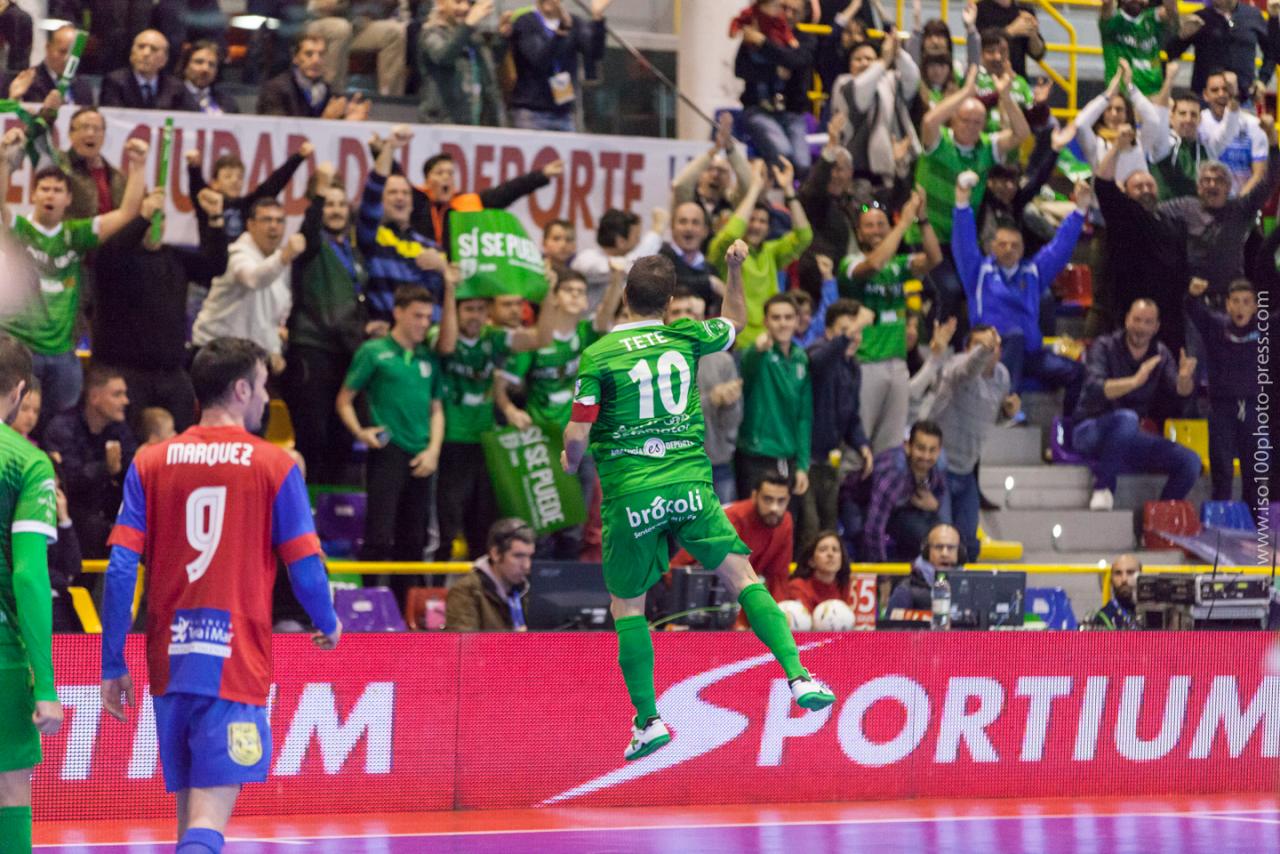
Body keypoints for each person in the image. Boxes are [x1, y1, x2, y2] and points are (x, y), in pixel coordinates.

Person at [563, 245, 833, 761]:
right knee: (745, 581)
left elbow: (578, 435)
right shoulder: (686, 334)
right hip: (689, 487)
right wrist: (733, 269)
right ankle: (799, 677)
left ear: (624, 298)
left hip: (632, 493)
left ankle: (648, 721)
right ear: (669, 303)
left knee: (629, 607)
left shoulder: (599, 354)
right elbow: (735, 318)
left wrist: (569, 461)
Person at [100, 337, 342, 854]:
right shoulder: (275, 465)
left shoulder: (151, 461)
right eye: (261, 386)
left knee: (189, 815)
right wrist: (327, 619)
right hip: (234, 662)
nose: (264, 398)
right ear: (239, 388)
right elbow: (305, 565)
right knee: (209, 816)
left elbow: (121, 568)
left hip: (170, 659)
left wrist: (112, 661)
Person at [0, 130, 147, 422]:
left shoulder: (75, 234)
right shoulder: (19, 229)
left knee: (59, 426)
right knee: (11, 422)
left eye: (57, 190)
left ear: (68, 198)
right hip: (18, 346)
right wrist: (4, 161)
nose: (50, 195)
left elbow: (128, 211)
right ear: (33, 195)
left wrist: (139, 165)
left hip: (62, 352)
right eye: (44, 189)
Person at [498, 266, 623, 559]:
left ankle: (564, 600)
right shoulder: (538, 338)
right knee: (540, 531)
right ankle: (535, 596)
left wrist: (617, 280)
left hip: (581, 444)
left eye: (581, 292)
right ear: (553, 297)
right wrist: (509, 410)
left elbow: (605, 317)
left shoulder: (585, 334)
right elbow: (501, 385)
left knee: (574, 530)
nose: (577, 296)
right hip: (541, 444)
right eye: (569, 290)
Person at [337, 285, 446, 601]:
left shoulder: (428, 357)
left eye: (428, 317)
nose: (424, 323)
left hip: (422, 453)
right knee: (379, 535)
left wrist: (434, 451)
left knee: (414, 538)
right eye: (417, 316)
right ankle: (366, 603)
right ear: (397, 313)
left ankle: (405, 610)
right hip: (388, 451)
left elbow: (436, 408)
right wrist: (360, 432)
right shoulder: (373, 352)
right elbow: (345, 399)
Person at [92, 186, 229, 436]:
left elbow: (215, 265)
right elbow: (109, 254)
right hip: (126, 372)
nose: (155, 224)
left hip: (171, 373)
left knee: (183, 438)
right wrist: (142, 217)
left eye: (161, 217)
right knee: (127, 440)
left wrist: (215, 220)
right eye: (149, 218)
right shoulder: (116, 259)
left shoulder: (174, 258)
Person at [952, 171, 1088, 414]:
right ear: (992, 246)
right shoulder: (977, 272)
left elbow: (1059, 250)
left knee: (1078, 373)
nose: (1008, 250)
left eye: (1014, 245)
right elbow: (963, 243)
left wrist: (1079, 212)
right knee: (1013, 336)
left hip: (1031, 354)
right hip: (989, 353)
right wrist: (962, 203)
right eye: (1002, 244)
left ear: (1023, 248)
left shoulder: (1033, 272)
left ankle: (1070, 429)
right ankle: (1007, 404)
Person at [0, 336, 63, 854]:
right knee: (10, 786)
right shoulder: (27, 463)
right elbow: (28, 576)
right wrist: (45, 682)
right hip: (1, 654)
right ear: (19, 391)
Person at [916, 65, 1030, 327]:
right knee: (951, 289)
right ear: (953, 119)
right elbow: (929, 120)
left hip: (962, 242)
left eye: (977, 122)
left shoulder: (987, 147)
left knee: (977, 288)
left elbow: (1021, 134)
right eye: (965, 120)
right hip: (926, 236)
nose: (971, 126)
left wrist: (1005, 97)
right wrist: (967, 91)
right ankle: (938, 347)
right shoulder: (938, 142)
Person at [1072, 299, 1202, 510]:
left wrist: (1185, 379)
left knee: (1190, 461)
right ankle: (1103, 488)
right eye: (1137, 320)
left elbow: (1180, 392)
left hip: (1129, 436)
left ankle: (1159, 519)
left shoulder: (1160, 353)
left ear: (1156, 327)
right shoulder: (1104, 346)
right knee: (1127, 418)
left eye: (1148, 322)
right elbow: (1096, 388)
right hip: (1090, 429)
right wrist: (1135, 381)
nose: (1141, 327)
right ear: (1127, 320)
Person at [283, 161, 367, 486]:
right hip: (312, 349)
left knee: (342, 438)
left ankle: (333, 519)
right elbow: (309, 228)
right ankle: (305, 511)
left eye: (341, 204)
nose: (335, 210)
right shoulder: (310, 245)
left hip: (347, 351)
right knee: (313, 436)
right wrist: (317, 196)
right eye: (329, 204)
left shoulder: (355, 251)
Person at [841, 189, 942, 455]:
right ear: (859, 233)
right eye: (869, 225)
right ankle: (852, 496)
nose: (876, 230)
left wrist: (922, 220)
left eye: (880, 224)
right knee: (858, 444)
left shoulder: (898, 265)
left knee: (891, 447)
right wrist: (902, 224)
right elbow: (873, 265)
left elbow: (934, 258)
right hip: (865, 363)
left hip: (897, 363)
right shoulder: (850, 263)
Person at [928, 325, 1017, 560]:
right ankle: (935, 593)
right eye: (978, 344)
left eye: (992, 345)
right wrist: (983, 349)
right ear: (967, 349)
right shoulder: (956, 367)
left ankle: (962, 594)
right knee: (943, 539)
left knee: (969, 544)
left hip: (967, 471)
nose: (987, 350)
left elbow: (988, 416)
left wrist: (1007, 414)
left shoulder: (1002, 376)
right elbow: (969, 369)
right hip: (938, 468)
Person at [709, 158, 813, 347]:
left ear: (768, 227)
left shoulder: (772, 252)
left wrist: (788, 190)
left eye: (762, 221)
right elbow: (730, 234)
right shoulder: (726, 252)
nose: (756, 226)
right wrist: (755, 188)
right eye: (752, 219)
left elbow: (804, 236)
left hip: (773, 338)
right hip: (740, 342)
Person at [192, 198, 305, 372]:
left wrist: (274, 350)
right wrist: (284, 258)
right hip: (213, 352)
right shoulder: (237, 253)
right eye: (267, 220)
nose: (274, 226)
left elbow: (271, 318)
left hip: (247, 357)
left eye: (279, 220)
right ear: (250, 225)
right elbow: (254, 279)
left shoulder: (281, 262)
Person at [357, 126, 448, 323]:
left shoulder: (433, 248)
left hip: (424, 344)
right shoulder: (373, 237)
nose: (400, 197)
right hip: (385, 338)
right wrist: (389, 147)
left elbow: (444, 298)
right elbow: (373, 189)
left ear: (412, 202)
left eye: (405, 193)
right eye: (392, 193)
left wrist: (444, 269)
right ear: (381, 201)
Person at [403, 149, 562, 263]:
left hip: (459, 274)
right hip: (419, 267)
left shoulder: (468, 202)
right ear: (427, 179)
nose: (446, 177)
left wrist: (541, 175)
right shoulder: (414, 201)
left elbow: (507, 191)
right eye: (439, 173)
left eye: (451, 173)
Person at [44, 366, 136, 558]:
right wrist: (106, 468)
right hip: (71, 516)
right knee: (90, 527)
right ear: (95, 397)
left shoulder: (120, 429)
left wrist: (118, 470)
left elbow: (132, 472)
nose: (125, 401)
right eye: (117, 394)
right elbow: (66, 479)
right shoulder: (62, 427)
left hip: (108, 514)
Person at [1187, 277, 1261, 515]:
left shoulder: (1265, 329)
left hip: (1253, 407)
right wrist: (1193, 295)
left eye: (1246, 302)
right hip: (1222, 408)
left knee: (1254, 470)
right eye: (1236, 302)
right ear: (1228, 305)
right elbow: (1193, 309)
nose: (1240, 308)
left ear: (1255, 305)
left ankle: (1254, 527)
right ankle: (1220, 524)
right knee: (1222, 469)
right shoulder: (1217, 326)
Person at [804, 297, 874, 545]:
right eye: (845, 331)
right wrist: (856, 325)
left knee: (829, 531)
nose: (854, 336)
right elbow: (817, 361)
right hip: (803, 462)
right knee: (809, 532)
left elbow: (851, 416)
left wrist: (863, 445)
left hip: (830, 460)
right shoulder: (817, 352)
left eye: (857, 331)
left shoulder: (853, 367)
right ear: (829, 332)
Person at [736, 294, 813, 503]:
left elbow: (804, 417)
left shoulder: (801, 358)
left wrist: (803, 465)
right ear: (765, 322)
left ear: (797, 321)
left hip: (788, 458)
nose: (783, 323)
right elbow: (747, 369)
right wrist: (757, 350)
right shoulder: (757, 353)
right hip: (756, 455)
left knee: (786, 525)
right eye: (776, 317)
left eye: (788, 317)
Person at [668, 290, 742, 503]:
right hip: (675, 468)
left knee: (722, 532)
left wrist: (729, 404)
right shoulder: (655, 362)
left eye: (690, 311)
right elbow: (668, 417)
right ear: (665, 319)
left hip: (716, 464)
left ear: (700, 319)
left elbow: (733, 422)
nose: (684, 317)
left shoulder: (722, 360)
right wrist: (711, 401)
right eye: (676, 312)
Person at [672, 471, 794, 598]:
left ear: (788, 500)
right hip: (695, 588)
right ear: (754, 496)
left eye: (781, 501)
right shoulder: (731, 519)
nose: (774, 508)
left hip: (741, 590)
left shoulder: (785, 522)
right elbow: (688, 564)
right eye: (767, 499)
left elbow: (778, 576)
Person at [830, 31, 920, 198]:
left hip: (889, 167)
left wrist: (898, 53)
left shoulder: (890, 81)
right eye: (858, 59)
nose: (864, 63)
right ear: (849, 65)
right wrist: (883, 61)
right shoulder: (844, 84)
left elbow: (913, 80)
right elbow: (860, 97)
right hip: (853, 168)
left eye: (870, 59)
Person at [733, 0, 815, 176]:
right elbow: (740, 69)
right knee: (783, 153)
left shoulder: (806, 40)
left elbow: (796, 61)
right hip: (758, 110)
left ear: (803, 14)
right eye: (785, 8)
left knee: (802, 163)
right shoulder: (755, 34)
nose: (789, 14)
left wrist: (763, 43)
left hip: (792, 113)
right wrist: (774, 70)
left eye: (795, 11)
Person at [508, 0, 610, 132]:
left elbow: (595, 53)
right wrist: (560, 34)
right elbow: (538, 60)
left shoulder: (574, 23)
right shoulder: (525, 22)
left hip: (563, 112)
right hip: (531, 111)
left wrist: (597, 18)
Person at [186, 142, 312, 243]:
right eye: (228, 176)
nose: (235, 181)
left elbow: (274, 183)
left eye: (240, 177)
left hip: (242, 262)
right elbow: (198, 190)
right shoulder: (208, 205)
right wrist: (193, 168)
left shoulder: (248, 205)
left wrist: (298, 157)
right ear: (215, 183)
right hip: (213, 265)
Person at [862, 420, 949, 562]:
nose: (926, 456)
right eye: (921, 448)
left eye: (932, 450)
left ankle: (932, 579)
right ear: (907, 446)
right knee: (856, 530)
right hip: (863, 503)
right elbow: (873, 528)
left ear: (939, 451)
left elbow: (940, 498)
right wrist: (883, 576)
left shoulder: (940, 465)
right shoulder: (894, 472)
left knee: (941, 536)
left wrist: (935, 504)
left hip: (902, 509)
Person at [1167, 0, 1276, 101]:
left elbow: (1271, 52)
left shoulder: (1253, 15)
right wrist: (1182, 36)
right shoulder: (1200, 17)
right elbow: (1171, 53)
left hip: (1243, 98)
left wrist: (1263, 80)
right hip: (1204, 99)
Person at [418, 0, 506, 126]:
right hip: (442, 123)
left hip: (474, 122)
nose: (465, 8)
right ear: (440, 4)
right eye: (458, 2)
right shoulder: (431, 33)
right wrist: (468, 25)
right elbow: (444, 56)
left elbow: (490, 65)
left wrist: (502, 37)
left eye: (469, 3)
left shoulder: (473, 38)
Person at [445, 518, 537, 631]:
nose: (527, 566)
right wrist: (514, 643)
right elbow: (464, 646)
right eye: (518, 556)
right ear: (496, 554)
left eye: (530, 556)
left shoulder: (529, 588)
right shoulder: (466, 591)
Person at [305, 0, 408, 96]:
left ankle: (389, 99)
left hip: (356, 24)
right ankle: (332, 95)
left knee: (394, 32)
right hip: (319, 21)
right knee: (340, 29)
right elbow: (321, 6)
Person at [671, 114, 755, 229]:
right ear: (699, 176)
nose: (715, 175)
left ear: (730, 179)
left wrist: (730, 148)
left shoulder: (733, 202)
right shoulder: (689, 200)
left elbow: (749, 185)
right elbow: (680, 184)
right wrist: (715, 149)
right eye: (710, 169)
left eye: (722, 171)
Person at [572, 208, 666, 309]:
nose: (639, 243)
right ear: (621, 241)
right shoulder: (586, 260)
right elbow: (625, 266)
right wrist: (656, 230)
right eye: (637, 238)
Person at [256, 32, 364, 119]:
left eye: (321, 55)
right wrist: (326, 120)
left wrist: (349, 120)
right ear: (295, 58)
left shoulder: (329, 93)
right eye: (309, 54)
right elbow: (280, 136)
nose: (316, 60)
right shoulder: (275, 90)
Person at [1199, 70, 1270, 197]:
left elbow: (1259, 173)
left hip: (1242, 203)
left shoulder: (1253, 125)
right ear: (1205, 95)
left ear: (1234, 93)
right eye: (1215, 90)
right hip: (1207, 203)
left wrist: (1239, 203)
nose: (1221, 94)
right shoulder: (1197, 123)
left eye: (1226, 90)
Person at [99, 30, 196, 111]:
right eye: (141, 47)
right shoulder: (115, 82)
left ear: (164, 59)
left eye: (154, 49)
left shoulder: (176, 87)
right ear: (132, 54)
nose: (146, 53)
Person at [1099, 0, 1177, 96]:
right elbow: (1107, 6)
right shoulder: (1113, 21)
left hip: (1154, 93)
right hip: (1123, 95)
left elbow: (1171, 11)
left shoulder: (1152, 18)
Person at [4, 23, 94, 107]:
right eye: (62, 52)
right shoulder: (29, 82)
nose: (67, 58)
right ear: (48, 47)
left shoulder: (83, 87)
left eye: (72, 54)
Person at [660, 203, 725, 316]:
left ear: (705, 231)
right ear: (672, 227)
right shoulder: (660, 258)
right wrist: (708, 282)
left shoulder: (711, 270)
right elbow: (664, 283)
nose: (689, 228)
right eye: (683, 222)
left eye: (695, 222)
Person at [1146, 88, 1208, 201]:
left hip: (1194, 215)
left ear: (1200, 119)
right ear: (1172, 117)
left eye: (1193, 115)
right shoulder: (1164, 143)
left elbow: (1229, 126)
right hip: (1163, 214)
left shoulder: (1206, 149)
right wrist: (1169, 80)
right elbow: (1159, 116)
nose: (1188, 119)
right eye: (1182, 113)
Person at [885, 522, 963, 612]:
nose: (944, 554)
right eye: (938, 547)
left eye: (951, 548)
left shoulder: (970, 591)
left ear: (959, 553)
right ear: (926, 551)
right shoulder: (905, 592)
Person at [63, 108, 123, 221]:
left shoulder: (118, 177)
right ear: (71, 134)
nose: (91, 134)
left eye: (97, 129)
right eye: (84, 128)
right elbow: (39, 143)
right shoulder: (60, 165)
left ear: (104, 135)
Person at [975, 0, 1045, 79]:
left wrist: (1033, 34)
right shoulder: (980, 9)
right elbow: (981, 45)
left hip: (1018, 77)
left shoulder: (1024, 9)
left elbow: (1038, 54)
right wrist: (1011, 31)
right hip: (989, 77)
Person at [786, 530, 853, 612]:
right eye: (823, 550)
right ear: (811, 561)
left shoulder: (844, 585)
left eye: (835, 550)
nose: (830, 554)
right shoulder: (797, 587)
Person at [178, 39, 240, 114]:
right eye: (199, 62)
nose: (205, 69)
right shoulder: (170, 98)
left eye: (211, 64)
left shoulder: (228, 104)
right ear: (185, 66)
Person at [1084, 553, 1142, 629]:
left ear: (1142, 576)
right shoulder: (1103, 618)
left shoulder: (1156, 612)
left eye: (1130, 572)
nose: (1124, 579)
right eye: (1118, 573)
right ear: (1111, 579)